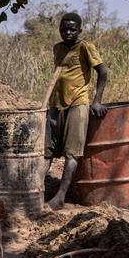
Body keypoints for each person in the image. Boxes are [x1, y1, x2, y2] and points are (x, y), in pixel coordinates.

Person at [44, 12, 108, 210]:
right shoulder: (58, 48)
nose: (68, 32)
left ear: (80, 30)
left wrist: (97, 101)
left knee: (73, 152)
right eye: (64, 29)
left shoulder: (86, 47)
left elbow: (103, 73)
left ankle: (60, 196)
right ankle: (36, 191)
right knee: (46, 152)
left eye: (72, 29)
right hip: (56, 104)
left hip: (78, 102)